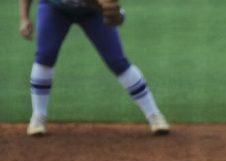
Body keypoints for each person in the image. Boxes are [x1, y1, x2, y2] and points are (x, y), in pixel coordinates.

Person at [18, 0, 169, 137]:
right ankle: (38, 116)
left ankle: (154, 115)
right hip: (55, 9)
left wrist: (116, 14)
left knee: (117, 61)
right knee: (45, 56)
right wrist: (24, 18)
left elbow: (112, 10)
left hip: (92, 12)